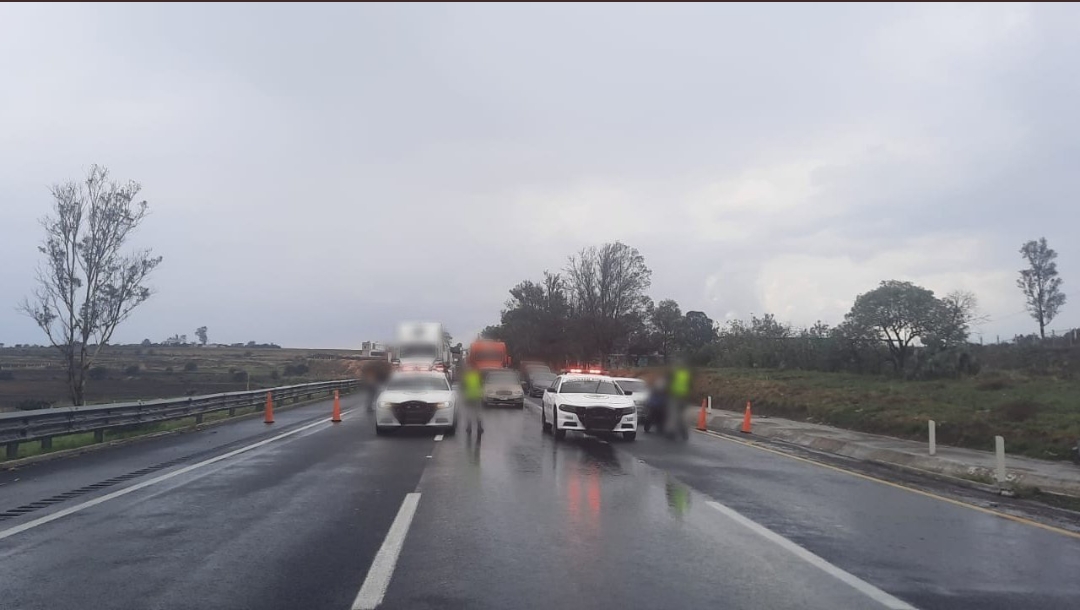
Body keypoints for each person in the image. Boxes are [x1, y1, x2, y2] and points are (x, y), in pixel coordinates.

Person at [665, 362, 693, 439]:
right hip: (684, 397)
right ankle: (684, 432)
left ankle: (671, 432)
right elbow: (690, 386)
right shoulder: (687, 374)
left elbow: (668, 385)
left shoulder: (674, 374)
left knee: (673, 415)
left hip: (674, 396)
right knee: (683, 415)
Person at [461, 366, 484, 436]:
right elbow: (481, 386)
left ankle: (469, 428)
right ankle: (479, 428)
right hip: (477, 397)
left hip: (469, 397)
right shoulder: (478, 377)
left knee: (469, 413)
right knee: (478, 413)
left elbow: (463, 388)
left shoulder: (466, 377)